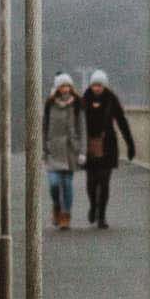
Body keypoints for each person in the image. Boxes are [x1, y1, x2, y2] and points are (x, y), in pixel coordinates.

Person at [80, 69, 135, 229]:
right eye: (95, 85)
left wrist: (130, 144)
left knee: (104, 182)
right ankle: (93, 206)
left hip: (108, 145)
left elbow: (121, 121)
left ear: (104, 85)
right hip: (89, 144)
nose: (97, 88)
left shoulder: (112, 99)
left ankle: (102, 216)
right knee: (91, 182)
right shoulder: (84, 99)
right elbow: (77, 123)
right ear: (91, 85)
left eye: (100, 85)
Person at [42, 72, 83, 229]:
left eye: (68, 86)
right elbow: (44, 127)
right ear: (58, 88)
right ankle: (56, 206)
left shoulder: (77, 103)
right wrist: (44, 148)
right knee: (53, 184)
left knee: (67, 184)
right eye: (62, 86)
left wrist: (82, 151)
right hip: (53, 150)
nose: (65, 89)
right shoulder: (50, 104)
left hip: (70, 150)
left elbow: (82, 128)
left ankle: (66, 215)